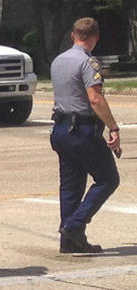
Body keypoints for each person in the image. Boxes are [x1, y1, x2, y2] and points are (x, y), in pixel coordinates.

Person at [49, 17, 122, 253]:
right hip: (81, 131)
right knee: (108, 179)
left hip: (60, 130)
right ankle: (74, 225)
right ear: (95, 38)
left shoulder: (58, 61)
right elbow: (95, 98)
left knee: (71, 187)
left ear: (73, 35)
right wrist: (113, 127)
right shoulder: (88, 62)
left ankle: (69, 241)